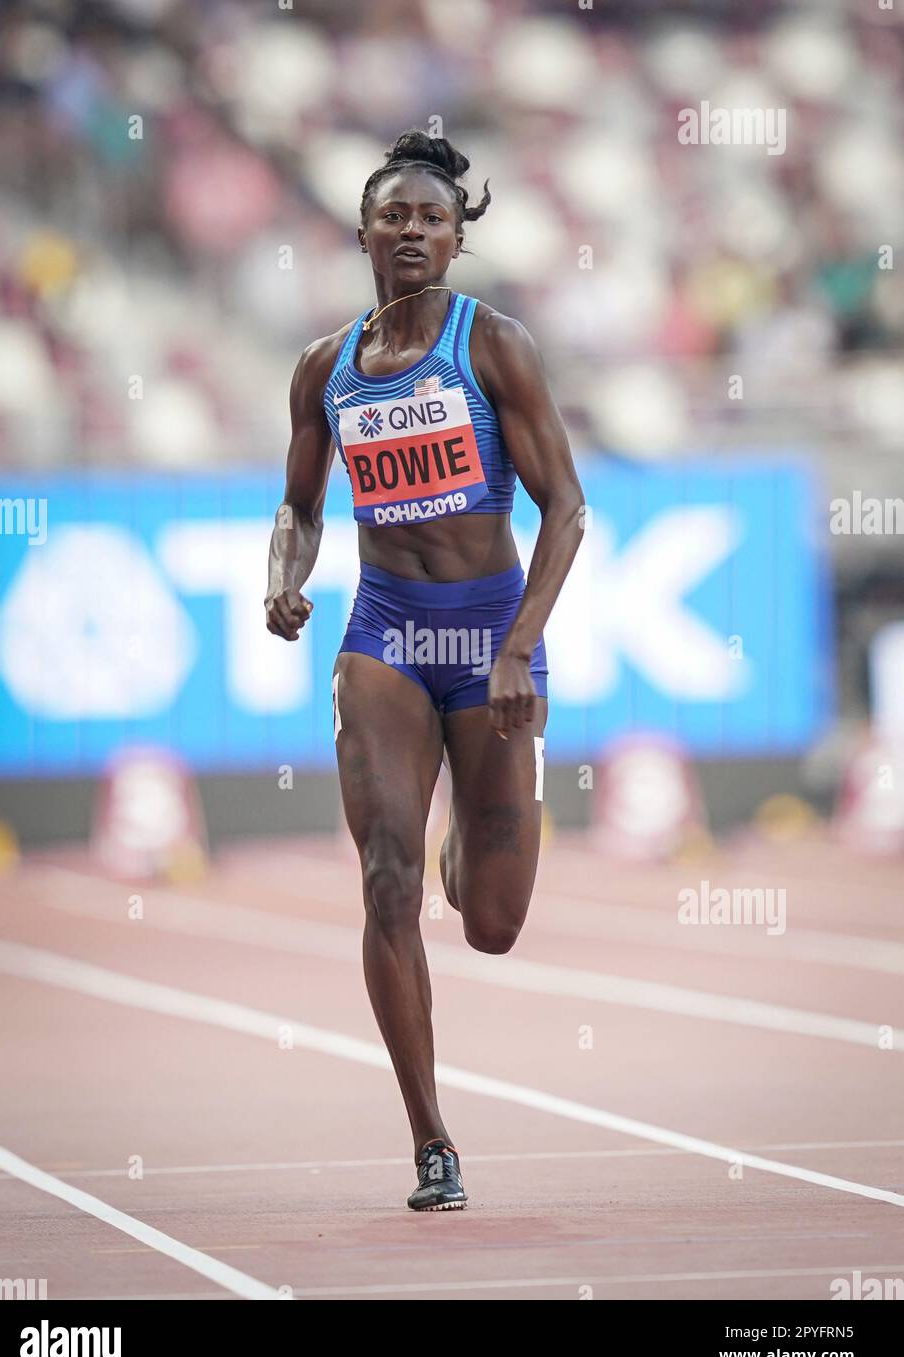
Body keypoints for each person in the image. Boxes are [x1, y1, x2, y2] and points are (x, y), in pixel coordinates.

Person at [265, 130, 584, 1210]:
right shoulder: (325, 368)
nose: (410, 230)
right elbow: (301, 507)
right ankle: (431, 1140)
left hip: (487, 633)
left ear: (457, 239)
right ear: (362, 231)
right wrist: (285, 575)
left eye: (431, 218)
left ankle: (464, 841)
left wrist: (516, 646)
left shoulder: (492, 345)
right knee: (385, 878)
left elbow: (568, 509)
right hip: (386, 634)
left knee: (491, 922)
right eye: (391, 215)